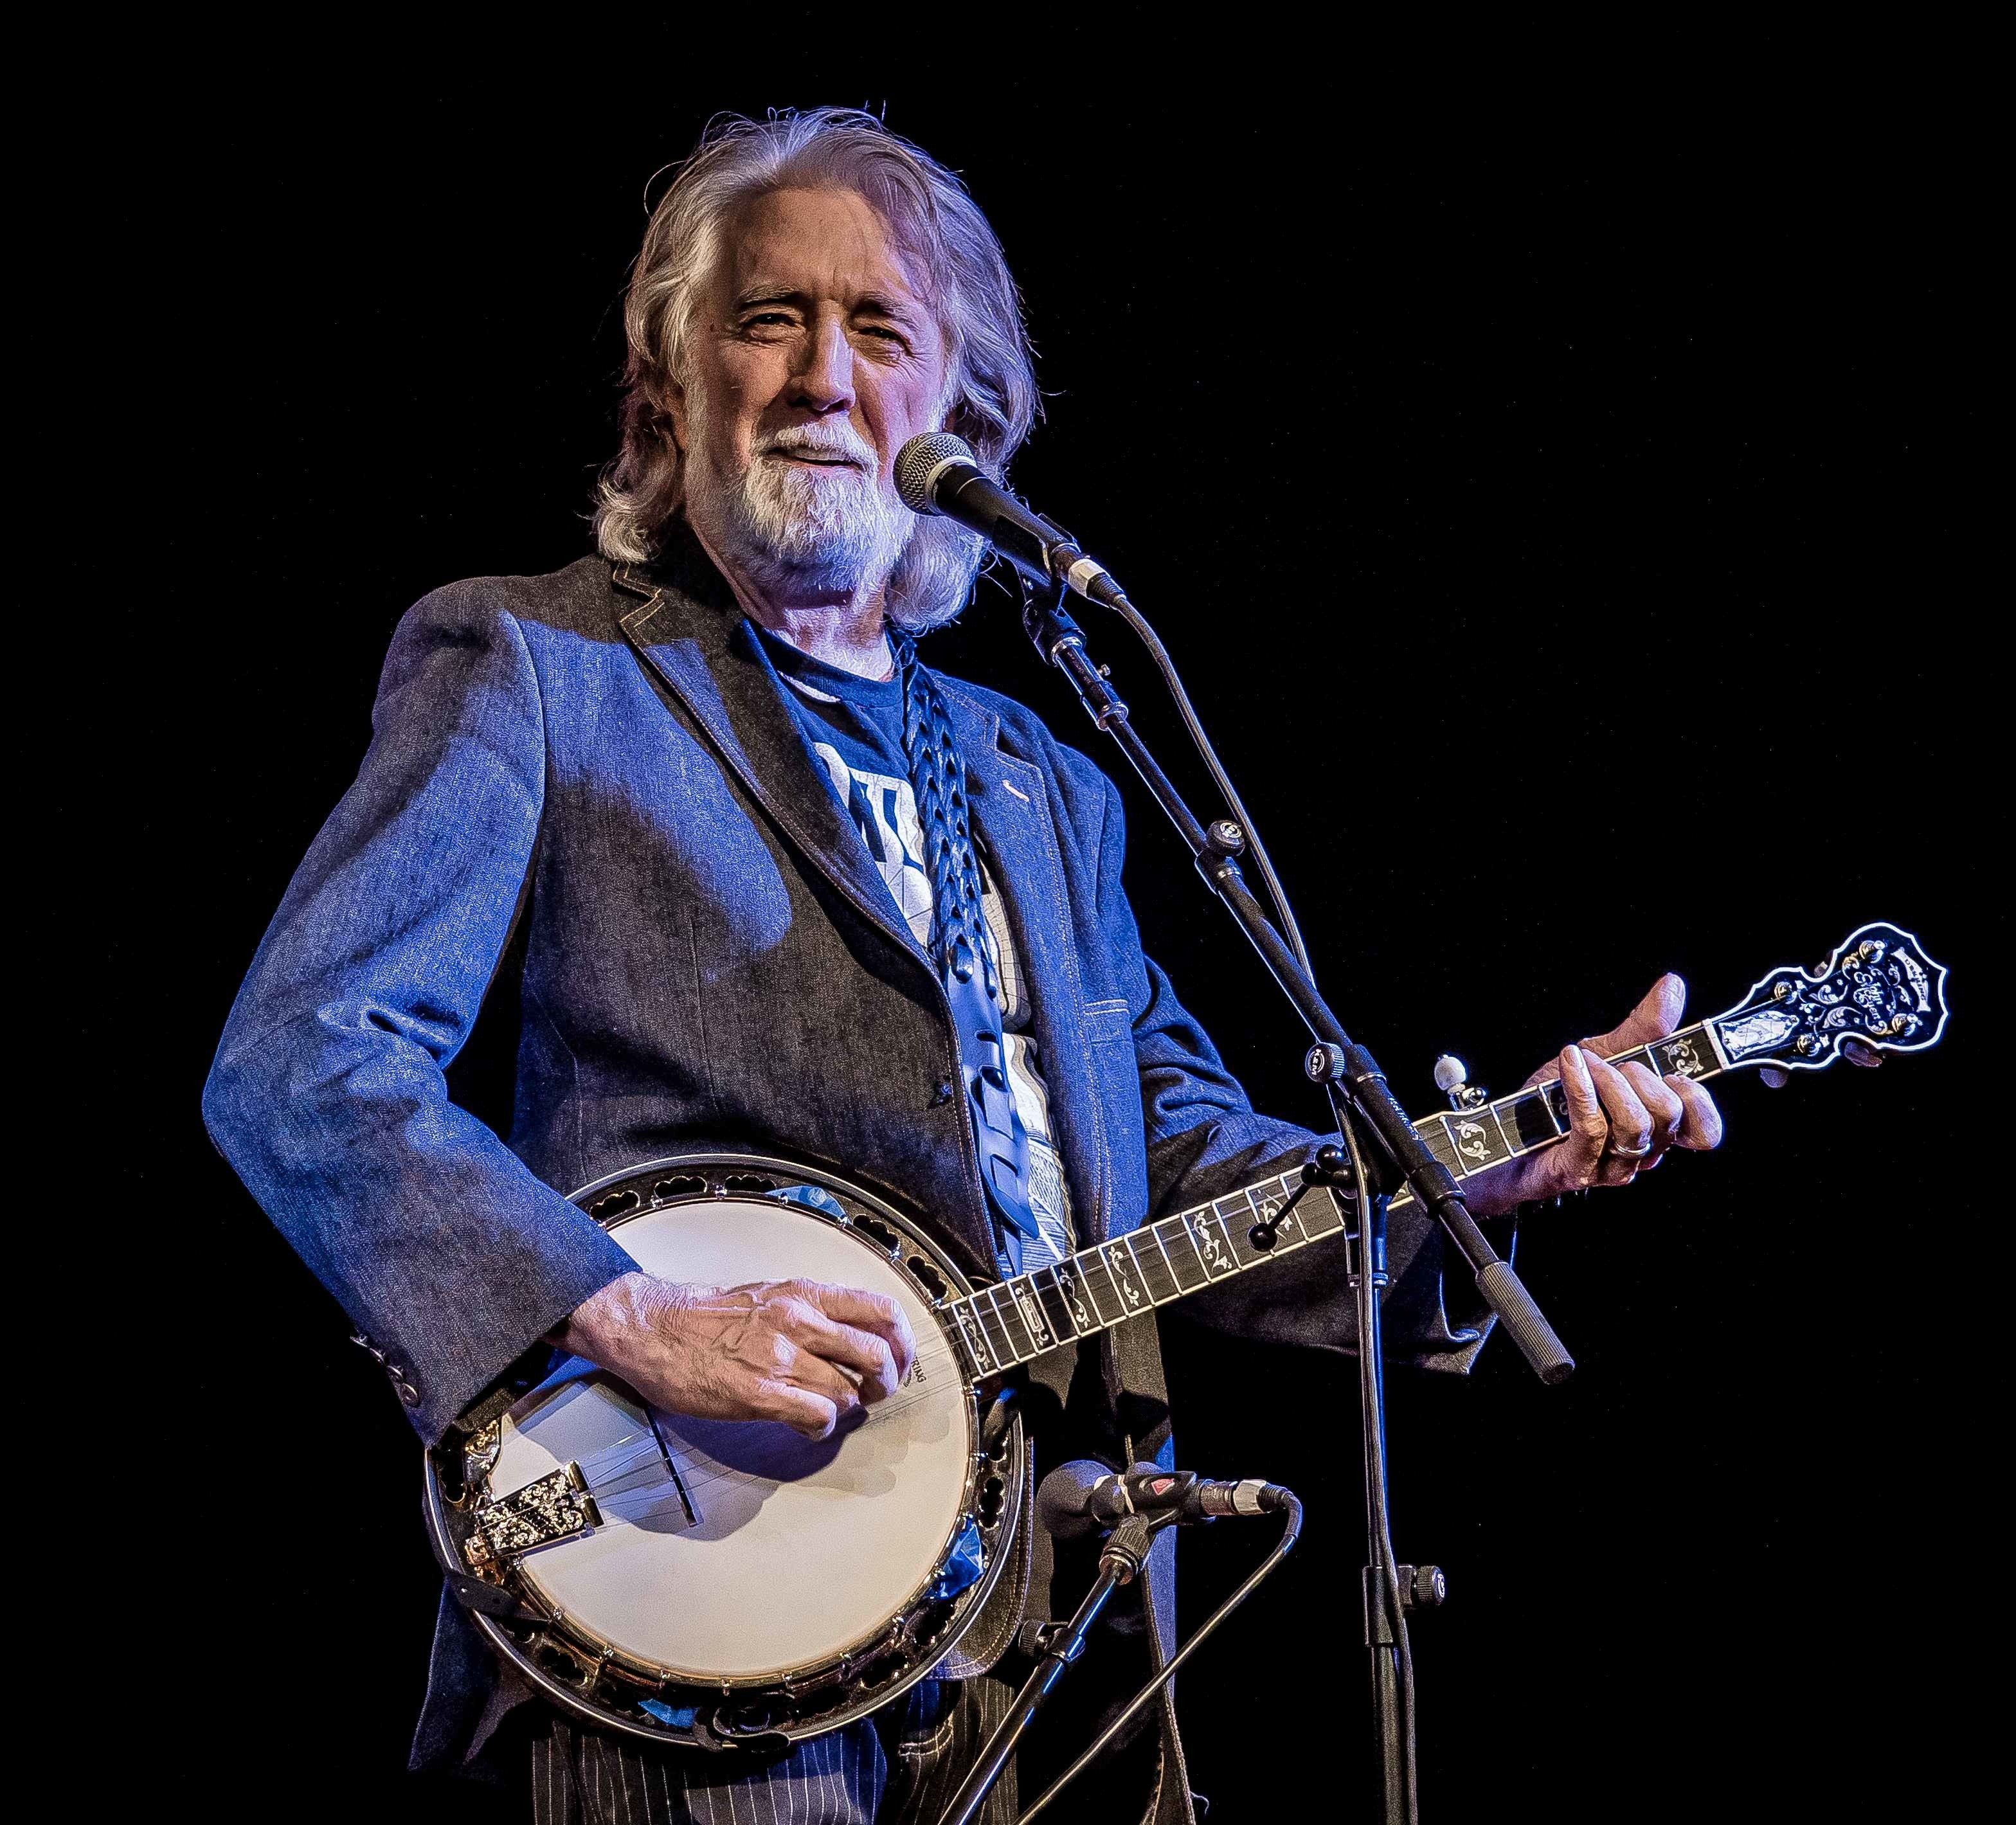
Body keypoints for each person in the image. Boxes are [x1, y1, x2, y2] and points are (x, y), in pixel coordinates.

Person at [202, 107, 1723, 1825]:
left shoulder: (1047, 778)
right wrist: (628, 1314)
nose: (817, 376)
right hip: (705, 1613)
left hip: (1064, 1620)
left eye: (879, 331)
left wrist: (1478, 1175)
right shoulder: (536, 668)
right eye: (767, 320)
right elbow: (306, 1062)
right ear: (667, 387)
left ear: (959, 411)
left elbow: (1177, 1179)